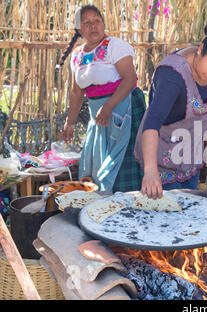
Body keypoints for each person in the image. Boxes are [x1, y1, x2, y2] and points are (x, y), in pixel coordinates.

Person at [134, 18, 207, 199]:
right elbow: (152, 122)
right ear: (200, 50)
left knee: (189, 214)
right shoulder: (172, 76)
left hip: (191, 157)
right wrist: (151, 172)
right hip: (161, 160)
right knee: (168, 219)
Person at [60, 5, 146, 192]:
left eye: (96, 21)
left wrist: (109, 106)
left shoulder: (114, 46)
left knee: (123, 168)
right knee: (100, 168)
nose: (93, 26)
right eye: (87, 23)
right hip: (99, 116)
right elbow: (77, 92)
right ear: (79, 29)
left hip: (124, 111)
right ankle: (101, 212)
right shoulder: (77, 56)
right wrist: (70, 122)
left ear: (103, 23)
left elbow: (130, 79)